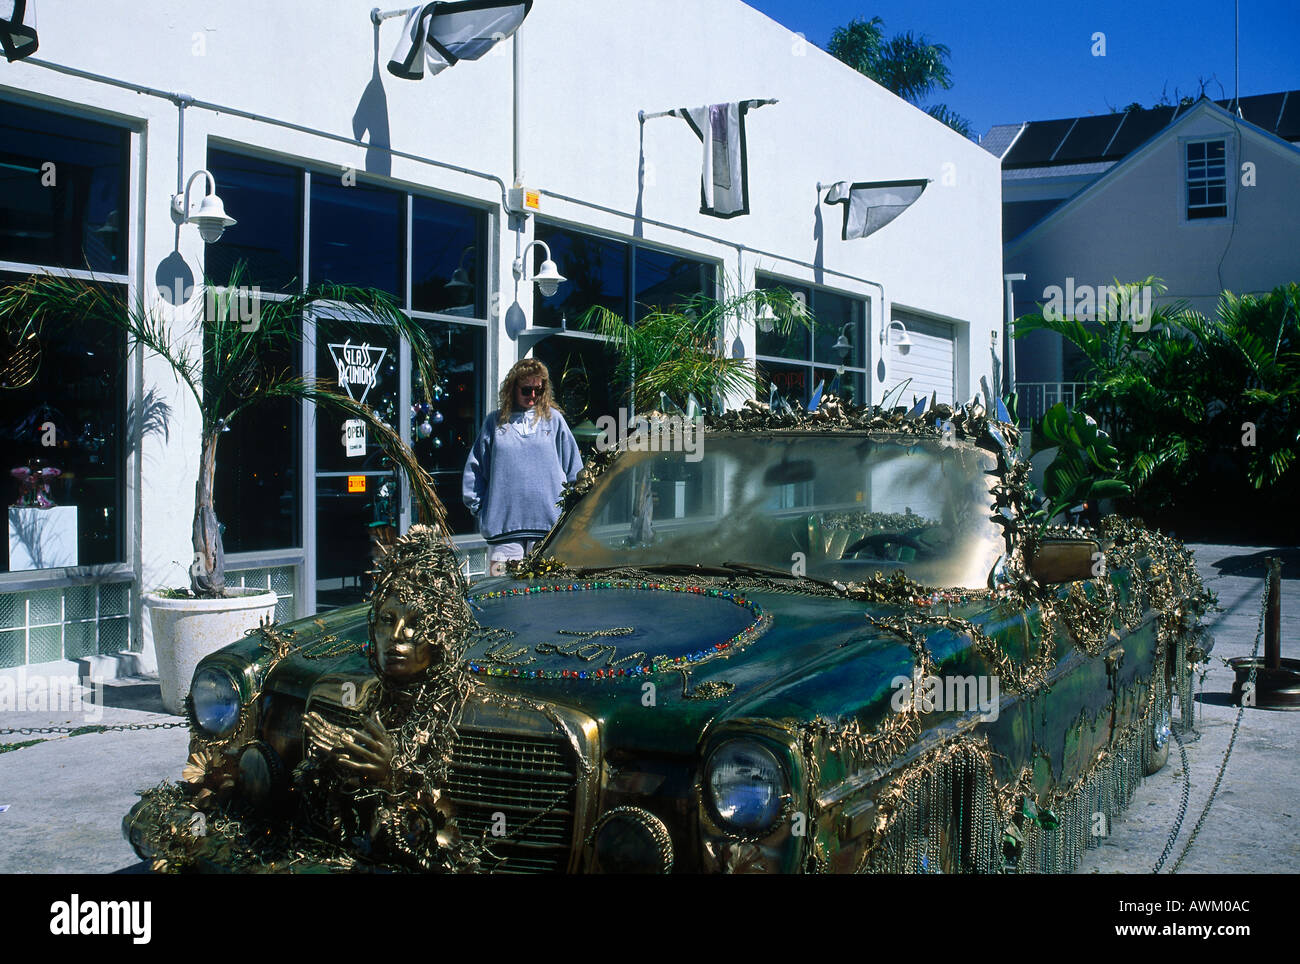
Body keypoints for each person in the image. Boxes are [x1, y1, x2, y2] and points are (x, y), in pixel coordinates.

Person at [462, 358, 583, 575]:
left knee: (546, 596)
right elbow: (476, 468)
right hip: (504, 530)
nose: (533, 396)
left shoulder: (554, 421)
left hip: (549, 529)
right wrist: (480, 510)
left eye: (539, 389)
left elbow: (575, 469)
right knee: (503, 594)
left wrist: (572, 511)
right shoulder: (495, 423)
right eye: (527, 390)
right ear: (513, 388)